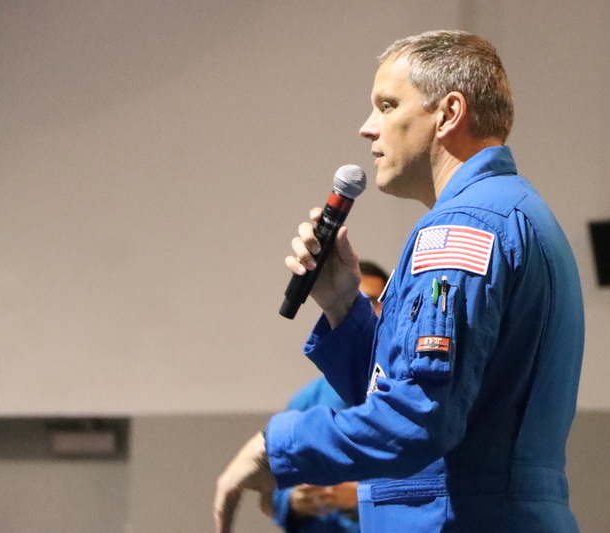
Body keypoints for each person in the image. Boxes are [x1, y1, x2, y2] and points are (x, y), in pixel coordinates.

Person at [215, 30, 584, 533]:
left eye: (387, 106)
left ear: (449, 113)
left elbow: (420, 418)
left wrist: (276, 447)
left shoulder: (463, 227)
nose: (368, 128)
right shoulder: (514, 212)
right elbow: (413, 395)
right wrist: (343, 305)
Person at [268, 262, 388, 533]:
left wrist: (363, 496)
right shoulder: (307, 400)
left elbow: (432, 479)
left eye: (371, 301)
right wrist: (296, 502)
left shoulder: (411, 395)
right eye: (353, 303)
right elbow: (276, 491)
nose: (362, 312)